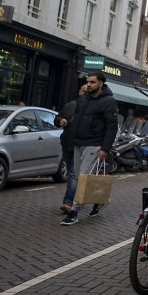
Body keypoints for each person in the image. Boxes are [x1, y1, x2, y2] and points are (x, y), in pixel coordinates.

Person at [61, 72, 119, 226]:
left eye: (92, 82)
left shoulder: (109, 101)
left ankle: (73, 212)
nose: (89, 85)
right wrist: (71, 141)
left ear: (100, 83)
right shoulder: (83, 98)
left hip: (94, 144)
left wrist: (105, 148)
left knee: (84, 178)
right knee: (79, 177)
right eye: (88, 82)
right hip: (78, 144)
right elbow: (77, 121)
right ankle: (98, 200)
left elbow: (112, 127)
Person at [56, 84, 88, 214]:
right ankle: (79, 196)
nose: (85, 93)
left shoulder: (92, 108)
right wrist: (60, 120)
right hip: (66, 144)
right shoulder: (70, 105)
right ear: (79, 91)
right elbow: (57, 118)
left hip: (80, 146)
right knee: (71, 173)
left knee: (73, 175)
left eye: (87, 91)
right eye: (83, 90)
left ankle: (68, 202)